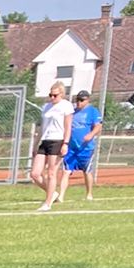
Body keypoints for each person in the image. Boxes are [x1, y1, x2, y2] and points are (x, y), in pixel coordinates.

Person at [32, 81, 73, 212]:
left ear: (62, 94)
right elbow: (42, 127)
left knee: (51, 172)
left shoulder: (66, 106)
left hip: (57, 140)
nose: (52, 98)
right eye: (50, 95)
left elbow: (68, 126)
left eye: (55, 95)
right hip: (45, 140)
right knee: (35, 174)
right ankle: (52, 193)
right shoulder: (46, 107)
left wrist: (65, 143)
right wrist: (35, 143)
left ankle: (47, 203)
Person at [56, 90, 103, 204]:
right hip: (71, 148)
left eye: (82, 100)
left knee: (87, 171)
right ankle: (61, 196)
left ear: (87, 100)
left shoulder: (93, 111)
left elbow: (98, 126)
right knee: (66, 171)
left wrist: (90, 135)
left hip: (85, 148)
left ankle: (89, 194)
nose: (79, 102)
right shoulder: (72, 112)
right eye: (77, 100)